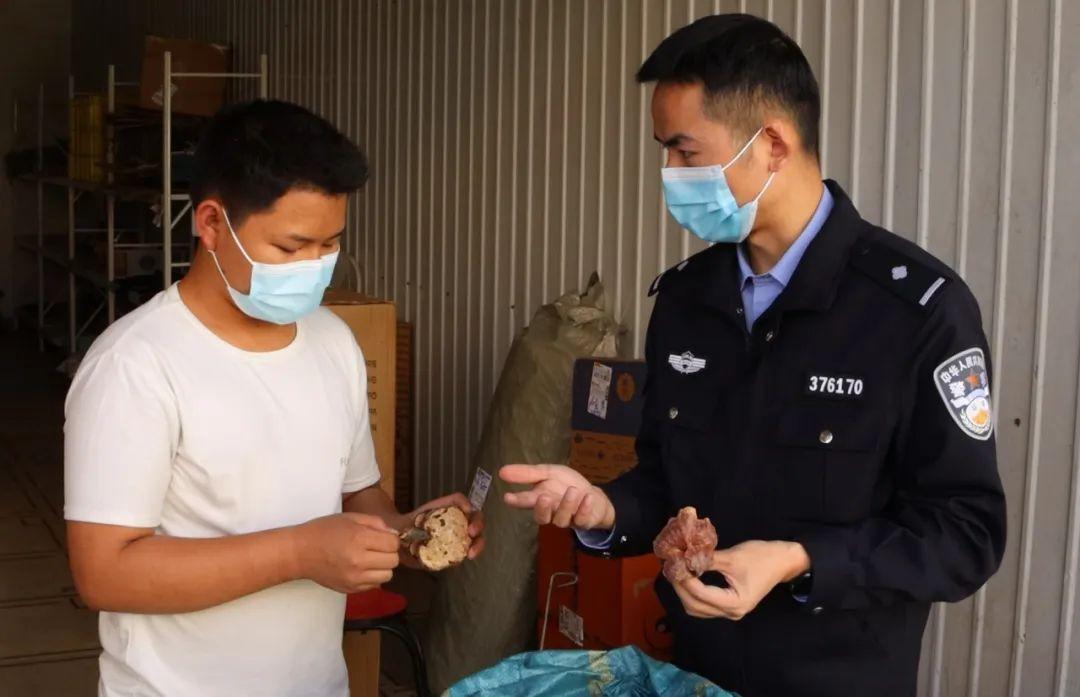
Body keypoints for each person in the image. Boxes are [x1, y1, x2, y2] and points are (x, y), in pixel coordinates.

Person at [501, 14, 1005, 697]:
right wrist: (604, 509)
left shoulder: (914, 312)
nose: (670, 175)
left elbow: (965, 533)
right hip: (696, 675)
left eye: (685, 152)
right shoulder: (687, 301)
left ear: (772, 144)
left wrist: (801, 560)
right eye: (665, 153)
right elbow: (665, 484)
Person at [64, 100, 484, 697]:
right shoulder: (135, 365)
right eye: (291, 247)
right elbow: (103, 574)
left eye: (329, 244)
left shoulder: (333, 342)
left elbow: (359, 493)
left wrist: (403, 535)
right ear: (212, 224)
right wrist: (298, 553)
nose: (314, 267)